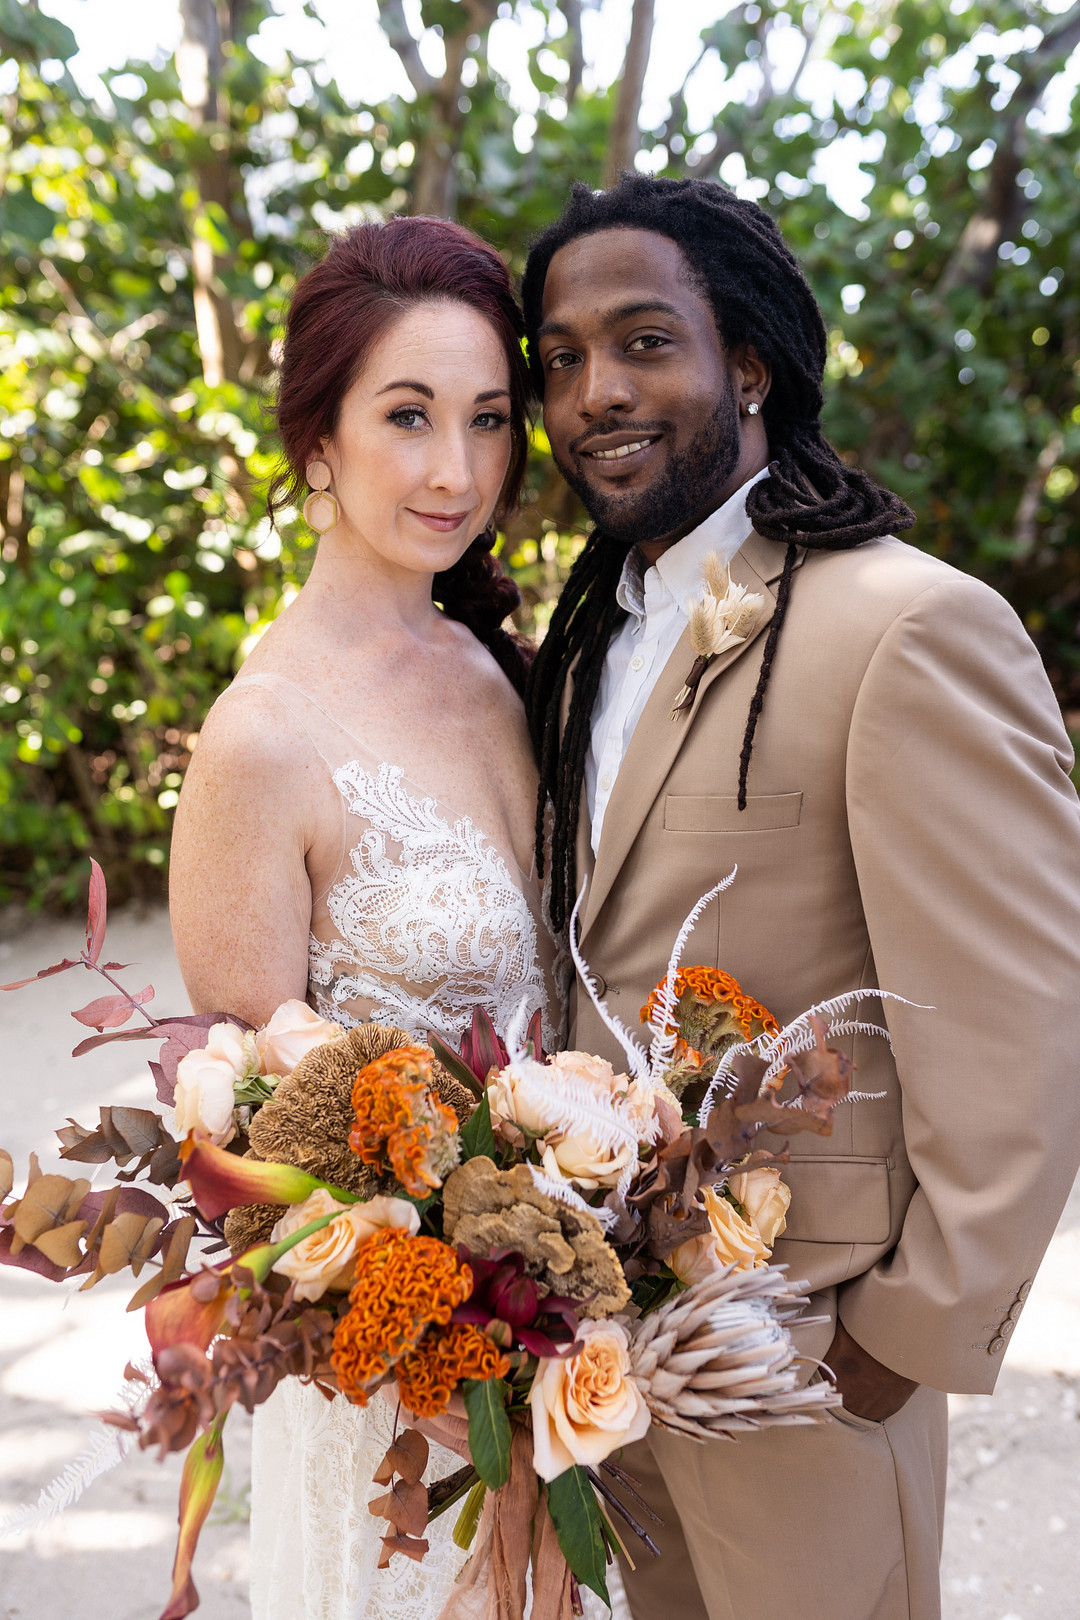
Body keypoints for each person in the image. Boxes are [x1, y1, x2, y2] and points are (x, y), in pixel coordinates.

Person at [523, 174, 1080, 1620]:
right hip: (619, 1347)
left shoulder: (907, 626)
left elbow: (1018, 1020)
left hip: (813, 1343)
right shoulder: (588, 649)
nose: (596, 391)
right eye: (562, 359)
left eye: (645, 341)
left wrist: (900, 1339)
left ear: (748, 362)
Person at [168, 216, 562, 1620]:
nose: (457, 470)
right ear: (319, 443)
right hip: (389, 1378)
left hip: (567, 1334)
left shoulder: (511, 675)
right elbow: (245, 1144)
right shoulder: (263, 737)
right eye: (407, 417)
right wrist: (434, 1342)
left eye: (488, 419)